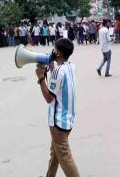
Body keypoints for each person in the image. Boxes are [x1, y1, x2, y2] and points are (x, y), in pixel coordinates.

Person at [35, 38, 80, 177]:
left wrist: (41, 77)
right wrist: (52, 64)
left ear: (59, 53)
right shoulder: (71, 66)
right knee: (55, 154)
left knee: (65, 158)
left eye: (54, 49)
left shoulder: (58, 72)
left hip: (58, 123)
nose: (52, 51)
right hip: (68, 120)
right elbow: (58, 77)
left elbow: (49, 98)